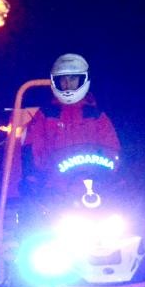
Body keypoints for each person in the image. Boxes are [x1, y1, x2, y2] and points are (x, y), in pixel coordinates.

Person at [21, 53, 121, 204]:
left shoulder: (96, 115)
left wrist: (116, 177)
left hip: (96, 189)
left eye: (73, 79)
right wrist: (33, 179)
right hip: (56, 192)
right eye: (63, 80)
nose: (67, 85)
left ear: (82, 80)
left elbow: (112, 150)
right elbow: (32, 149)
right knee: (39, 223)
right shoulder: (46, 115)